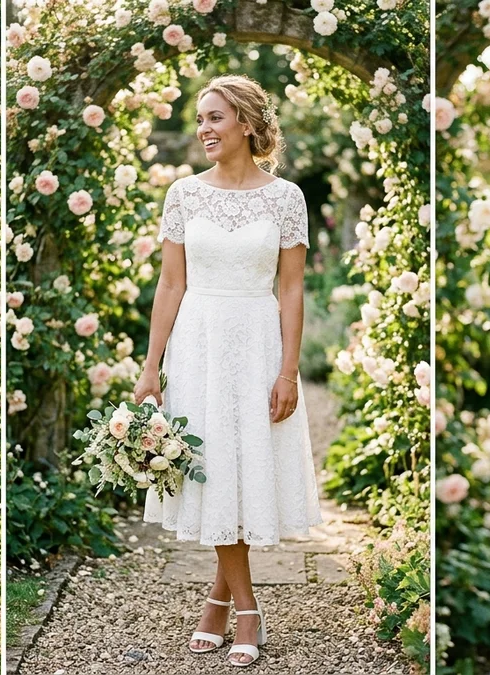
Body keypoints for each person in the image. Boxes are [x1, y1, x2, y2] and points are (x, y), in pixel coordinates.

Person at [134, 74, 323, 667]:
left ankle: (219, 606)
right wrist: (150, 368)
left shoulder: (286, 198)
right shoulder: (184, 195)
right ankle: (246, 608)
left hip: (259, 340)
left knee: (245, 469)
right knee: (213, 467)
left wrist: (288, 371)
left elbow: (292, 290)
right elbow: (170, 283)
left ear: (246, 122)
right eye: (199, 118)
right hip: (199, 342)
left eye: (215, 117)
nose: (204, 129)